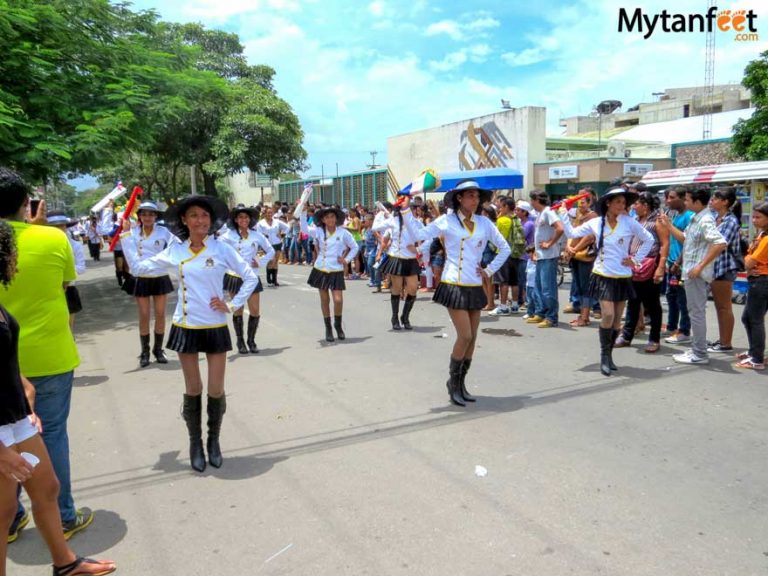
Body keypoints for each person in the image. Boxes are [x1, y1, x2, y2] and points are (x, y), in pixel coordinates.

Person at [0, 219, 117, 576]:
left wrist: (22, 388)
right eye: (11, 252)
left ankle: (65, 563)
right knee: (2, 513)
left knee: (47, 488)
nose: (16, 258)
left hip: (16, 417)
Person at [122, 195, 258, 472]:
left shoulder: (222, 248)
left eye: (205, 216)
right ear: (184, 220)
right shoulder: (176, 251)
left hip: (215, 326)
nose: (200, 220)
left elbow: (251, 276)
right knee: (193, 388)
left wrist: (231, 305)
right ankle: (195, 442)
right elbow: (138, 268)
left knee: (216, 389)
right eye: (194, 215)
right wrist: (125, 238)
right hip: (186, 326)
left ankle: (213, 441)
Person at [0, 168, 95, 542]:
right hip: (50, 356)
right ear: (28, 203)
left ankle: (11, 519)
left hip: (4, 364)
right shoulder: (53, 238)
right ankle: (64, 516)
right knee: (51, 434)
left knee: (6, 439)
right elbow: (64, 283)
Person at [400, 181, 511, 406]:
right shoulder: (446, 220)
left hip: (474, 284)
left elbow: (505, 248)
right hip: (453, 283)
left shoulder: (484, 222)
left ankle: (461, 384)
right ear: (459, 198)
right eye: (470, 195)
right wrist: (405, 210)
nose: (475, 200)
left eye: (477, 196)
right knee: (465, 335)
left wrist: (488, 270)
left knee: (473, 338)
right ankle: (452, 383)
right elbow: (419, 233)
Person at [558, 187, 654, 376]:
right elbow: (571, 233)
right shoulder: (595, 222)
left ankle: (609, 356)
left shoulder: (629, 222)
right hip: (603, 274)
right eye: (617, 202)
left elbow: (648, 239)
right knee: (607, 315)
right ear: (608, 203)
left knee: (617, 320)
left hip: (623, 275)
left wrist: (635, 260)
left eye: (624, 202)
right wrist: (563, 212)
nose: (622, 205)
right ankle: (603, 355)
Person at [660, 187, 727, 365]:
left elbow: (720, 243)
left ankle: (700, 353)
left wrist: (700, 266)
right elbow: (684, 238)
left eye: (688, 200)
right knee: (694, 312)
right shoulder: (697, 218)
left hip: (696, 274)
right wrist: (668, 225)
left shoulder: (705, 219)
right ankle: (698, 349)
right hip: (690, 272)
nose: (685, 202)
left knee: (696, 313)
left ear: (697, 202)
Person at [120, 201, 175, 368]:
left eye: (151, 214)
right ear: (140, 216)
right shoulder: (133, 232)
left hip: (159, 275)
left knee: (160, 313)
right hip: (142, 276)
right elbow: (128, 250)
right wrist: (125, 232)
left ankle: (158, 350)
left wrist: (164, 261)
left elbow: (174, 247)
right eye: (144, 214)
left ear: (156, 216)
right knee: (144, 314)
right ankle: (144, 351)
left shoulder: (164, 232)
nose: (148, 217)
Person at [613, 192, 669, 353]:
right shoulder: (636, 221)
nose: (633, 206)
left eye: (636, 203)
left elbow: (665, 244)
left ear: (645, 206)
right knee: (633, 302)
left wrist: (660, 267)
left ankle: (654, 338)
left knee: (652, 304)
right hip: (634, 266)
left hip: (650, 265)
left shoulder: (657, 221)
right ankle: (627, 336)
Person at [299, 205, 359, 342]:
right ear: (323, 220)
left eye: (332, 216)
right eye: (327, 217)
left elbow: (355, 247)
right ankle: (328, 328)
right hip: (321, 268)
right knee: (324, 300)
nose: (330, 219)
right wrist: (303, 212)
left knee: (338, 300)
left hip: (336, 269)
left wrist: (346, 260)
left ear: (336, 218)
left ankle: (338, 325)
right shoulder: (319, 231)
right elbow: (304, 229)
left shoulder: (343, 233)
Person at [219, 205, 274, 354]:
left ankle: (251, 340)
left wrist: (261, 261)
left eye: (246, 217)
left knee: (255, 311)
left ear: (250, 219)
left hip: (252, 276)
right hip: (234, 276)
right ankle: (240, 340)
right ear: (236, 219)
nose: (244, 220)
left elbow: (271, 250)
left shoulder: (257, 235)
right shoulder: (228, 236)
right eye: (240, 217)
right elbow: (218, 250)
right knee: (238, 309)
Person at [372, 203, 421, 331]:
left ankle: (405, 316)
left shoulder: (416, 223)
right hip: (396, 257)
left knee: (413, 288)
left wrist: (418, 249)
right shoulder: (393, 221)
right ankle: (394, 318)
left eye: (408, 210)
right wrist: (382, 215)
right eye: (402, 210)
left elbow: (429, 238)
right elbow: (376, 228)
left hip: (410, 259)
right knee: (397, 289)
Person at [707, 187, 743, 353]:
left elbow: (719, 243)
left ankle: (726, 343)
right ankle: (722, 340)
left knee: (724, 307)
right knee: (719, 307)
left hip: (724, 267)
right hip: (715, 267)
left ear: (725, 202)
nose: (712, 201)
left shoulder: (730, 221)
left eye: (716, 199)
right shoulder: (715, 217)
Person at [736, 201, 768, 370]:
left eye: (758, 217)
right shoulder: (761, 235)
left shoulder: (766, 239)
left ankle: (757, 359)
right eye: (753, 217)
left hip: (761, 281)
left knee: (754, 320)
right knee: (747, 318)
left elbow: (749, 261)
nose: (754, 220)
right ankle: (754, 352)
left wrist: (746, 264)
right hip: (758, 280)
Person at [528, 190, 564, 328]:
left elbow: (560, 228)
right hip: (541, 256)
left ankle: (551, 317)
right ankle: (540, 313)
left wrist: (550, 243)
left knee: (548, 288)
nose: (531, 203)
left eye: (532, 200)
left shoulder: (549, 212)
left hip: (549, 256)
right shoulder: (540, 214)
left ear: (537, 199)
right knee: (539, 286)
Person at [46, 211, 87, 331]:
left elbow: (81, 268)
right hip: (49, 290)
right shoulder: (43, 245)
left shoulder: (74, 245)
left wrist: (62, 270)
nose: (58, 229)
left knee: (68, 328)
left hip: (68, 289)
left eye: (61, 225)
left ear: (66, 226)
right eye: (54, 226)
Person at [663, 187, 694, 344]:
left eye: (672, 197)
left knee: (683, 299)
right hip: (672, 262)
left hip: (681, 264)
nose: (668, 201)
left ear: (683, 198)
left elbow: (686, 241)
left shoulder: (689, 216)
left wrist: (677, 262)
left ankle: (684, 331)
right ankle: (672, 326)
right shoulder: (676, 215)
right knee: (671, 296)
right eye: (667, 197)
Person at [562, 194, 598, 327]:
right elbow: (571, 233)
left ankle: (585, 316)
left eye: (583, 203)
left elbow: (589, 237)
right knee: (578, 286)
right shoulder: (577, 216)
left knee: (585, 287)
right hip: (575, 255)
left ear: (589, 203)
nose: (580, 205)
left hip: (585, 256)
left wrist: (574, 249)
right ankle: (582, 315)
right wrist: (568, 248)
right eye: (579, 203)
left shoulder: (593, 217)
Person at [256, 206, 289, 287]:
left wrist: (282, 234)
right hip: (267, 244)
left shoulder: (277, 221)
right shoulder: (261, 223)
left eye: (271, 212)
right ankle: (268, 275)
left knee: (275, 261)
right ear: (265, 214)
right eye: (268, 213)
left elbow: (287, 227)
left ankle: (275, 280)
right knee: (271, 260)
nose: (270, 214)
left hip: (277, 243)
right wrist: (264, 236)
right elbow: (258, 233)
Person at [515, 200, 535, 309]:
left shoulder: (529, 224)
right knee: (519, 279)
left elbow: (520, 236)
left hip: (526, 256)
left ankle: (525, 300)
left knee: (524, 280)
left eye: (518, 210)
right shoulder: (520, 222)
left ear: (525, 212)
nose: (516, 212)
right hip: (519, 254)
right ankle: (520, 300)